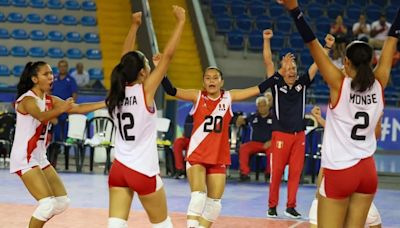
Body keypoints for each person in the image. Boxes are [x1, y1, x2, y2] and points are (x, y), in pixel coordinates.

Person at [280, 0, 399, 226]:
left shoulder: (339, 84)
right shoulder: (380, 83)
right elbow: (392, 40)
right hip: (367, 171)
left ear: (345, 61)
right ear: (372, 61)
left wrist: (295, 10)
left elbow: (312, 44)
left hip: (340, 171)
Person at [161, 64, 274, 226]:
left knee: (214, 205)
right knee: (198, 197)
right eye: (207, 78)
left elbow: (257, 89)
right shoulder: (197, 96)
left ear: (221, 82)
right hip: (197, 155)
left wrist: (276, 76)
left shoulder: (229, 97)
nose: (211, 81)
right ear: (203, 82)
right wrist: (161, 70)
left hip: (218, 156)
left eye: (215, 78)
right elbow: (171, 90)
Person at [105, 7, 185, 228]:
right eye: (147, 64)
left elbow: (124, 60)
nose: (150, 66)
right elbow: (167, 56)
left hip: (119, 169)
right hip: (142, 170)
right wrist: (180, 22)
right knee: (163, 225)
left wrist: (134, 26)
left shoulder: (115, 93)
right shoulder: (144, 91)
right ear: (142, 73)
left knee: (115, 226)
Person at [9, 61, 106, 228]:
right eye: (46, 74)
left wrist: (107, 102)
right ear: (34, 79)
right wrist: (63, 108)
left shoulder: (49, 100)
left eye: (51, 73)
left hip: (39, 157)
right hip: (24, 158)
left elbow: (78, 108)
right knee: (47, 205)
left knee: (62, 202)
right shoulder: (27, 100)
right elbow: (41, 116)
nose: (51, 77)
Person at [262, 28, 334, 219]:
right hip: (280, 135)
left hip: (298, 136)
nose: (292, 71)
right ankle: (272, 206)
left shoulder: (302, 84)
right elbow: (268, 62)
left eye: (294, 68)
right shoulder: (276, 83)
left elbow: (317, 64)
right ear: (282, 70)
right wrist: (267, 40)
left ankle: (291, 206)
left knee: (295, 173)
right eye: (288, 68)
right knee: (276, 173)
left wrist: (326, 47)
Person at [308, 106, 382, 228]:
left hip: (341, 174)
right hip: (364, 172)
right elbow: (376, 135)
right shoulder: (370, 108)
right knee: (374, 221)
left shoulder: (342, 120)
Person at [237, 96, 273, 182]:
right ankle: (244, 173)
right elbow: (242, 121)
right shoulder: (253, 116)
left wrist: (272, 141)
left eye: (264, 105)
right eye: (259, 106)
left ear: (268, 106)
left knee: (273, 151)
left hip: (269, 143)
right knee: (243, 148)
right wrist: (239, 120)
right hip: (255, 143)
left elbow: (279, 132)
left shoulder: (274, 117)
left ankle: (269, 173)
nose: (262, 108)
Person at [51, 59, 78, 143]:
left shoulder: (71, 80)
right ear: (58, 67)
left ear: (67, 68)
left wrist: (72, 106)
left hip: (66, 109)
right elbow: (49, 91)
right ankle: (56, 150)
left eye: (64, 66)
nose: (62, 68)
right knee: (56, 131)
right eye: (61, 66)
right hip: (55, 109)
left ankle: (66, 150)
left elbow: (74, 94)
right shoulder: (54, 79)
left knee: (66, 131)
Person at [172, 114, 193, 179]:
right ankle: (179, 169)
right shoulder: (190, 115)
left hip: (197, 140)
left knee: (190, 147)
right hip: (187, 138)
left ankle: (188, 169)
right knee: (177, 142)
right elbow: (186, 128)